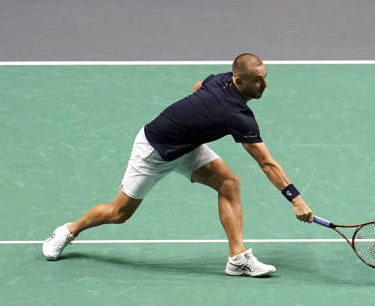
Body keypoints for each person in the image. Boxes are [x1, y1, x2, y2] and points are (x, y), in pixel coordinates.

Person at [42, 53, 312, 276]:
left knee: (229, 183)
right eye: (257, 82)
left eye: (264, 80)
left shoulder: (220, 79)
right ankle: (68, 231)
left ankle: (237, 258)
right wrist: (295, 199)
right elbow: (266, 162)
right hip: (154, 149)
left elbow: (198, 87)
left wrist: (195, 120)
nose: (264, 87)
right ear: (239, 80)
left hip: (188, 147)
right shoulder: (238, 116)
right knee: (118, 214)